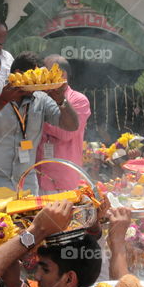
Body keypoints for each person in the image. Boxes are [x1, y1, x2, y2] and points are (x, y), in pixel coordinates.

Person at [0, 52, 79, 196]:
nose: (38, 84)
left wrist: (61, 100)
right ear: (18, 74)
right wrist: (1, 101)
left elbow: (71, 126)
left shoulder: (41, 99)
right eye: (35, 78)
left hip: (26, 187)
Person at [34, 55, 91, 192]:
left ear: (62, 75)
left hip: (63, 180)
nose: (41, 76)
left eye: (46, 72)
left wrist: (37, 119)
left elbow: (66, 133)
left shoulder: (78, 100)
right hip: (35, 177)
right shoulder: (38, 96)